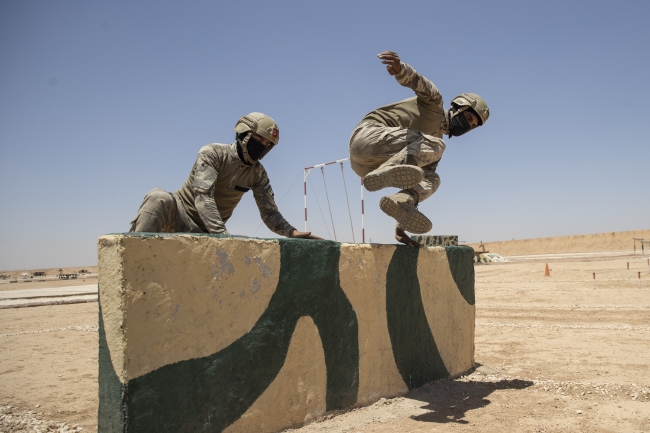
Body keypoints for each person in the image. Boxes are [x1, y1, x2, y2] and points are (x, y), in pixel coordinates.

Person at [349, 51, 490, 247]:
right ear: (458, 108)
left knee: (432, 178)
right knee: (437, 145)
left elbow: (417, 180)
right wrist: (400, 69)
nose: (468, 126)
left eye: (472, 126)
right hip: (367, 138)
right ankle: (386, 171)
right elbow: (418, 82)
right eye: (467, 119)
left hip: (364, 168)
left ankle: (401, 202)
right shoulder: (434, 104)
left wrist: (401, 228)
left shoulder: (432, 146)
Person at [130, 112, 321, 240]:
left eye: (267, 143)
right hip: (180, 215)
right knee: (157, 198)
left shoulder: (258, 174)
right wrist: (222, 236)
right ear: (244, 135)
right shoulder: (212, 153)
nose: (262, 146)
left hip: (208, 232)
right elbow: (203, 196)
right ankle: (133, 260)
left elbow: (269, 212)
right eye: (258, 139)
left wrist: (292, 232)